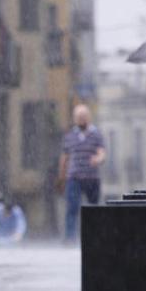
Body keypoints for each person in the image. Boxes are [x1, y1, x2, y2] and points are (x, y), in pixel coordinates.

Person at [58, 104, 106, 242]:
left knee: (93, 209)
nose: (81, 119)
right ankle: (70, 238)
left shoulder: (96, 134)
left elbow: (102, 152)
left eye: (83, 116)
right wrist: (61, 177)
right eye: (78, 117)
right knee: (72, 207)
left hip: (92, 177)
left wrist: (98, 159)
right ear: (74, 119)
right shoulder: (70, 135)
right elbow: (65, 157)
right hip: (74, 178)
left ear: (88, 117)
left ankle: (94, 237)